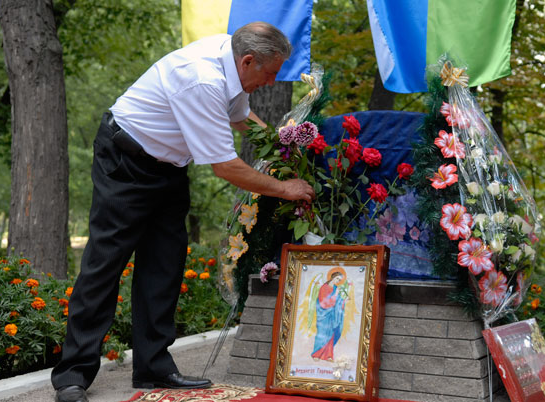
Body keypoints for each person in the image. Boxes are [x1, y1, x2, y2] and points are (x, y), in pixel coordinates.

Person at [51, 21, 315, 402]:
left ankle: (153, 367)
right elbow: (226, 166)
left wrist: (281, 146)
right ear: (248, 61)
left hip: (169, 166)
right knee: (104, 265)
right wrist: (286, 188)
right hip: (126, 159)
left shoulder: (234, 65)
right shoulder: (202, 79)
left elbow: (240, 118)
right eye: (270, 74)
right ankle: (72, 374)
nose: (271, 82)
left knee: (165, 265)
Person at [311, 272, 347, 362]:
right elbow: (323, 303)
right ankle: (317, 354)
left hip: (332, 315)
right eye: (337, 279)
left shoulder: (335, 288)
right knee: (322, 334)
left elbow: (338, 301)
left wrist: (343, 301)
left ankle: (328, 356)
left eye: (339, 280)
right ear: (333, 277)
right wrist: (335, 295)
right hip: (323, 315)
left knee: (331, 334)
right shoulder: (324, 287)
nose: (338, 281)